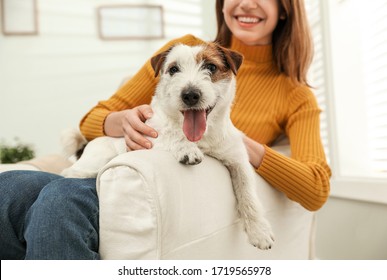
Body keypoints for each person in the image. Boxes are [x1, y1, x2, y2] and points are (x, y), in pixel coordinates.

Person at [0, 0, 331, 260]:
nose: (246, 3)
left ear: (285, 7)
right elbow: (94, 119)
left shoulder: (295, 95)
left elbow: (316, 189)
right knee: (11, 186)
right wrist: (122, 120)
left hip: (161, 189)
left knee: (61, 199)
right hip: (124, 162)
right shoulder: (181, 49)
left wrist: (244, 146)